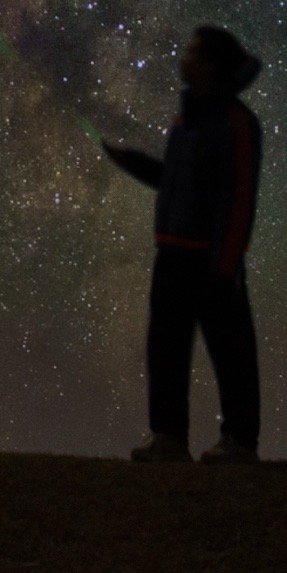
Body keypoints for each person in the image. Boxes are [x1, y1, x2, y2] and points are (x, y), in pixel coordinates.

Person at [101, 25, 265, 464]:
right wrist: (133, 162)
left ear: (211, 64)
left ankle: (239, 441)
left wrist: (226, 266)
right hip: (172, 254)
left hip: (211, 259)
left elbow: (239, 198)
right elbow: (173, 180)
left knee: (230, 352)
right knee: (166, 348)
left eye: (192, 53)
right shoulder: (186, 121)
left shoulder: (236, 123)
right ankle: (168, 436)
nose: (184, 59)